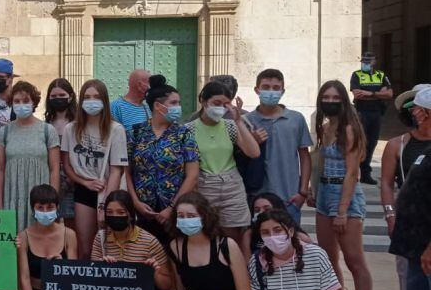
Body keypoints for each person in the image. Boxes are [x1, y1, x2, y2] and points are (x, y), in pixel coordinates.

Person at [310, 80, 375, 290]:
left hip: (344, 196)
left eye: (335, 97)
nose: (330, 101)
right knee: (328, 257)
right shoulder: (326, 128)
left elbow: (351, 172)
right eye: (326, 96)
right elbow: (320, 163)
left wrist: (342, 211)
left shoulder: (349, 129)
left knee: (354, 259)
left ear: (344, 101)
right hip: (325, 194)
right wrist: (315, 191)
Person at [379, 96, 431, 290]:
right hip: (413, 241)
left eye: (417, 108)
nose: (412, 113)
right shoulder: (408, 145)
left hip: (426, 246)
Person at [126, 75, 200, 240]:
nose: (178, 107)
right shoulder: (136, 133)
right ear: (158, 106)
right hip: (143, 211)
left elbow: (192, 175)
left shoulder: (183, 134)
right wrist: (135, 202)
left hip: (175, 211)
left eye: (179, 103)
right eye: (173, 103)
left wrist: (172, 207)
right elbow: (127, 171)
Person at [192, 80, 260, 255]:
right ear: (203, 100)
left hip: (232, 186)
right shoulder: (188, 130)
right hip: (204, 186)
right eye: (216, 103)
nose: (221, 108)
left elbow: (253, 152)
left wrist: (238, 121)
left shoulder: (230, 126)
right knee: (207, 238)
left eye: (225, 104)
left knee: (235, 241)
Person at [62, 79, 128, 257]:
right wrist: (85, 182)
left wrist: (106, 205)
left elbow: (117, 170)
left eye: (96, 97)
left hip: (109, 190)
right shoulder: (71, 129)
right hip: (84, 190)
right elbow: (67, 166)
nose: (91, 101)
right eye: (87, 97)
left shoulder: (116, 130)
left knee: (110, 245)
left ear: (104, 100)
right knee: (85, 247)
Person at [245, 68, 313, 225]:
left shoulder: (296, 119)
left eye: (276, 88)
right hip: (257, 200)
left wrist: (302, 191)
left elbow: (304, 155)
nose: (271, 91)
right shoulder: (246, 121)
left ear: (282, 91)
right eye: (266, 87)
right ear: (257, 90)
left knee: (290, 243)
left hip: (288, 198)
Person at [0, 81, 60, 233]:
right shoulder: (3, 133)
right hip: (12, 196)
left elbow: (55, 169)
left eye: (25, 101)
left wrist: (53, 203)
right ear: (11, 103)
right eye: (17, 101)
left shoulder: (47, 131)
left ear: (34, 102)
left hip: (41, 198)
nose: (21, 104)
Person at [350, 51, 393, 185]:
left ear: (374, 62)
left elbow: (389, 94)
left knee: (372, 142)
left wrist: (369, 93)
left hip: (376, 113)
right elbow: (357, 95)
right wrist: (378, 93)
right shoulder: (357, 75)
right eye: (363, 61)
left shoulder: (381, 75)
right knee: (360, 142)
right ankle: (355, 171)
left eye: (368, 62)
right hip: (362, 112)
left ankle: (365, 173)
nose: (365, 64)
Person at [44, 78, 77, 226]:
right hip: (52, 182)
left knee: (73, 225)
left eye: (61, 95)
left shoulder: (78, 123)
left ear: (70, 96)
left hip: (75, 181)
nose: (58, 99)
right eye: (54, 96)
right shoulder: (45, 125)